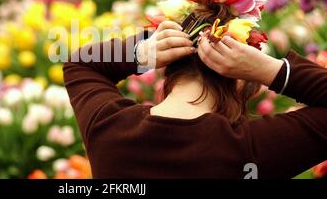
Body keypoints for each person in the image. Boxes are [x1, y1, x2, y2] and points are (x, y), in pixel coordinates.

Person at [63, 21, 327, 178]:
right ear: (239, 78)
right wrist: (270, 70)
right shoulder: (247, 149)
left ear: (167, 65)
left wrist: (140, 52)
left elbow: (80, 63)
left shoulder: (109, 129)